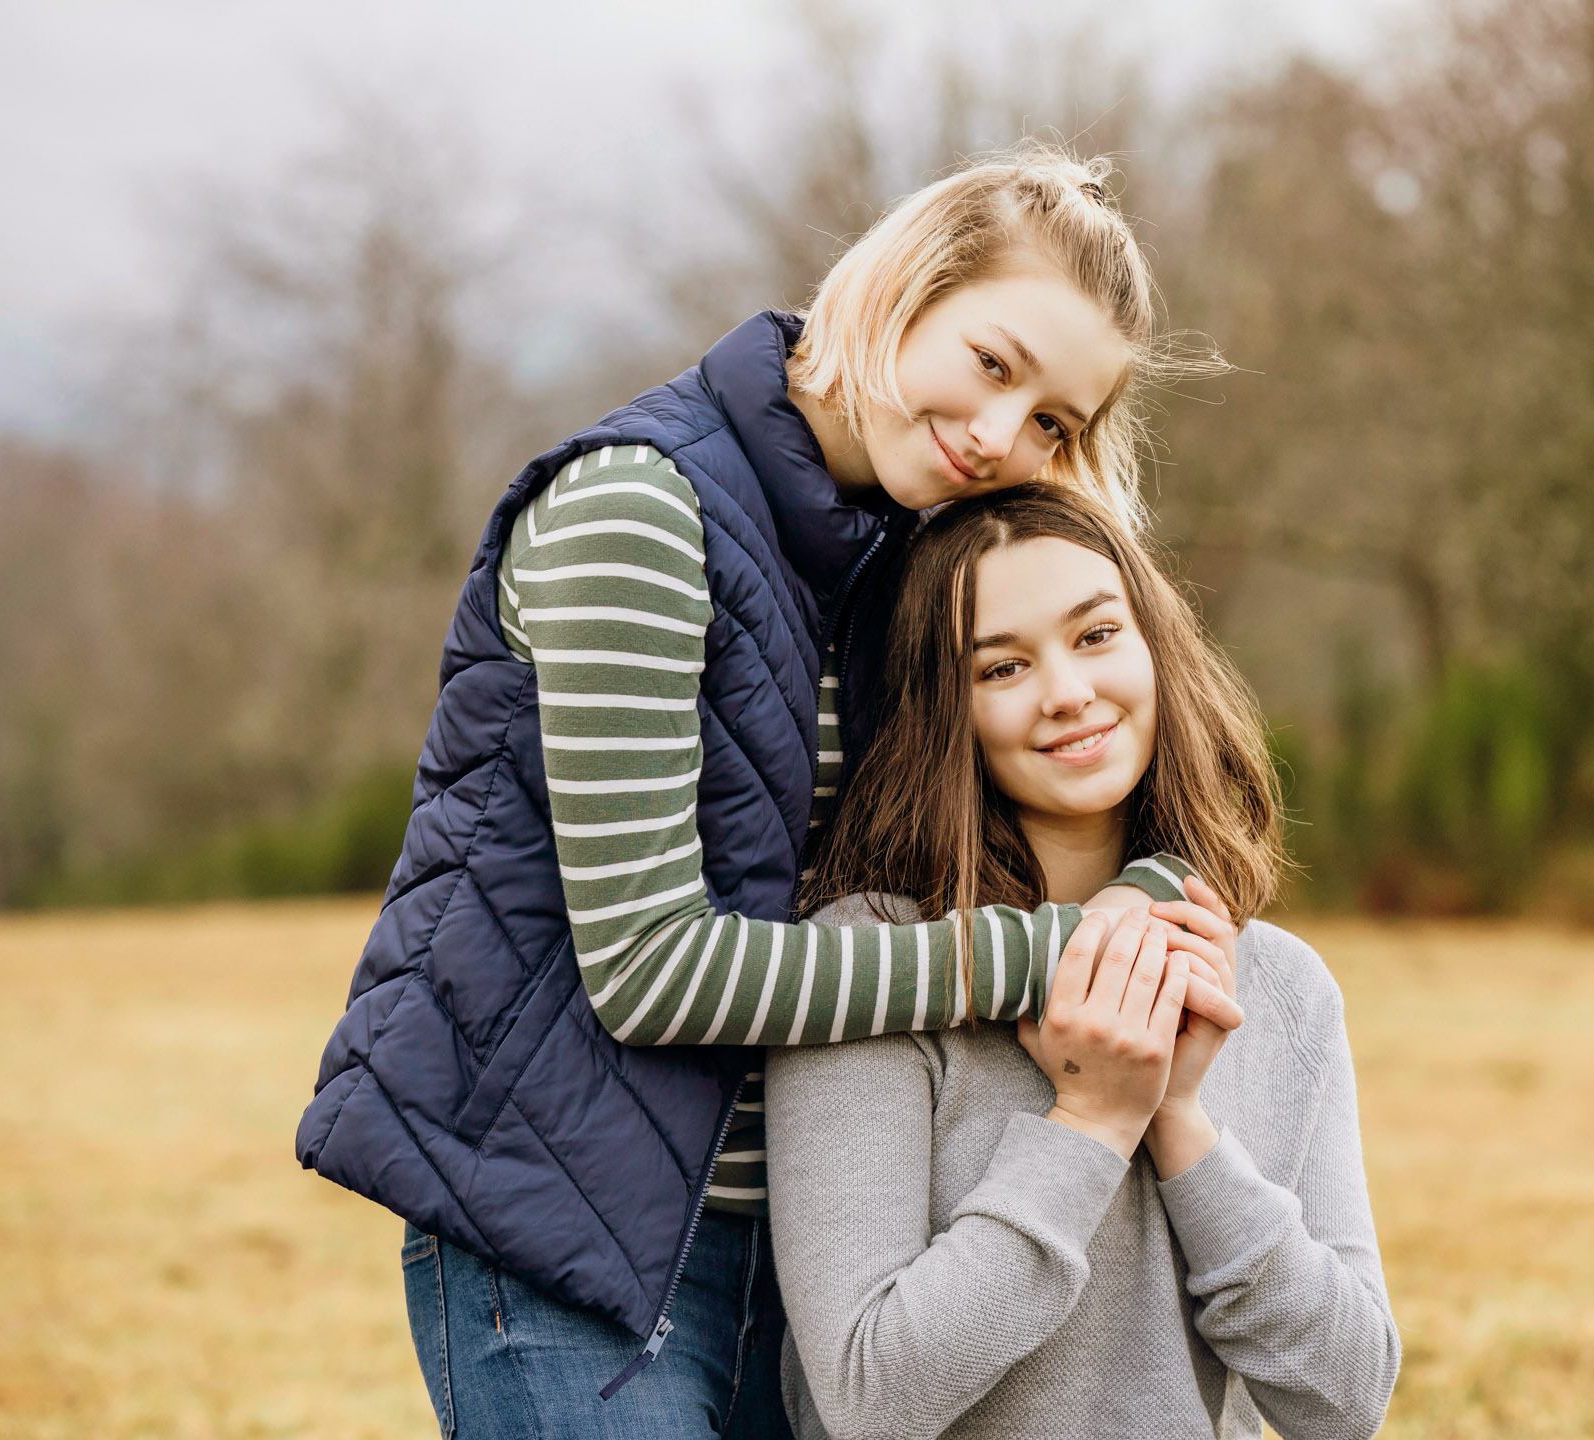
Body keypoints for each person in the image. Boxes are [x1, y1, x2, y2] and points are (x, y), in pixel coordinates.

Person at [296, 144, 1241, 1439]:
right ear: (909, 283)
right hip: (567, 1233)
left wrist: (1138, 904)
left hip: (813, 1255)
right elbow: (649, 967)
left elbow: (1113, 768)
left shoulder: (911, 550)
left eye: (1053, 425)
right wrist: (1059, 955)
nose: (998, 436)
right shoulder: (636, 509)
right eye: (993, 363)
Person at [767, 483, 1402, 1440]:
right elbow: (869, 1395)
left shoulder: (1282, 986)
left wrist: (1181, 1123)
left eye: (1097, 634)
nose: (1067, 691)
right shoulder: (873, 963)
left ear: (1156, 648)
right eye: (1003, 667)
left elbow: (1346, 1400)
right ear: (949, 711)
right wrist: (1093, 1121)